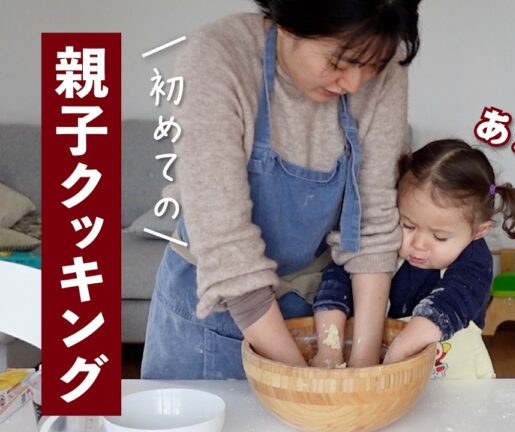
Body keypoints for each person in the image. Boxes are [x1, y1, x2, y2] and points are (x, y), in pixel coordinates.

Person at [141, 0, 422, 379]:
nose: (355, 84)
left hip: (318, 311)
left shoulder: (383, 62)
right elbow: (227, 247)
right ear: (290, 23)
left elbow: (371, 226)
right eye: (340, 63)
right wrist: (301, 383)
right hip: (216, 310)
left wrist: (362, 367)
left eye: (370, 66)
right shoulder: (218, 57)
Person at [312, 139, 515, 378]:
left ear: (478, 231)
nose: (418, 244)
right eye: (407, 225)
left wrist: (390, 363)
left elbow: (445, 307)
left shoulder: (474, 260)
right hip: (385, 375)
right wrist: (329, 350)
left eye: (439, 237)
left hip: (454, 381)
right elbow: (335, 283)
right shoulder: (382, 238)